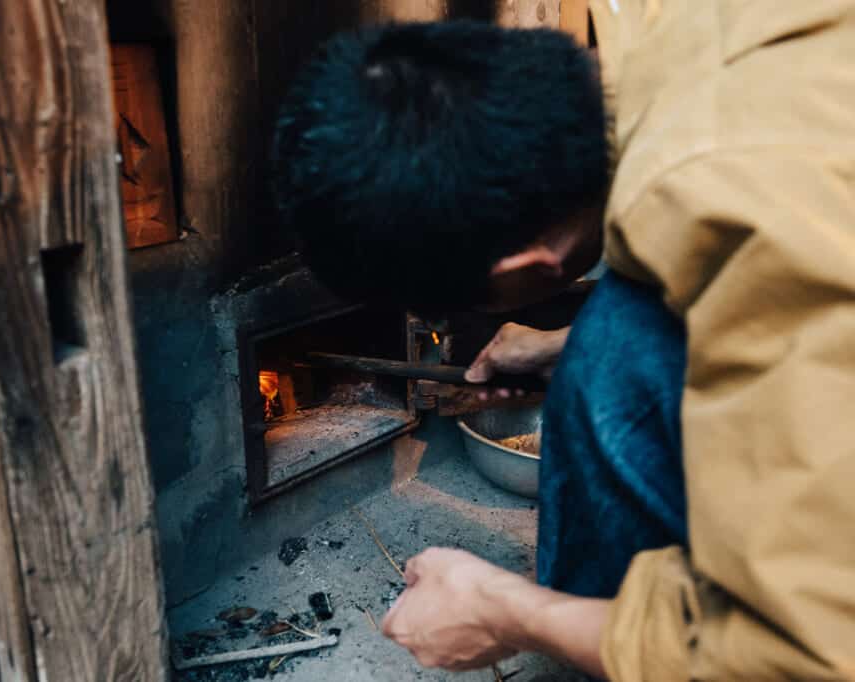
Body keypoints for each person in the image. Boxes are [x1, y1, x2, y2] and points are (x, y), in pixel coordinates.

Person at [272, 2, 855, 680]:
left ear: (529, 266)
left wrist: (507, 612)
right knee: (606, 340)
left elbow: (808, 655)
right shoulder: (668, 32)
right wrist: (557, 344)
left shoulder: (738, 206)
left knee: (607, 361)